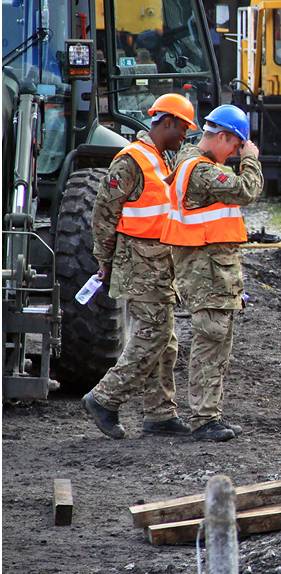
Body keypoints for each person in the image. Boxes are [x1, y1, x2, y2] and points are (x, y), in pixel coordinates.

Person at [82, 94, 197, 439]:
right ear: (167, 123)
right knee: (153, 336)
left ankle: (160, 414)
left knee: (166, 340)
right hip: (140, 265)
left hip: (159, 265)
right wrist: (104, 261)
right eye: (183, 129)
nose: (185, 136)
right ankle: (104, 398)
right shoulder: (132, 161)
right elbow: (104, 214)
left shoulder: (161, 160)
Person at [161, 104, 263, 442]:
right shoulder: (203, 171)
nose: (235, 152)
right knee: (211, 345)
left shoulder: (190, 160)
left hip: (209, 272)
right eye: (235, 145)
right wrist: (251, 158)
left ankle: (207, 415)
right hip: (208, 274)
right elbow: (247, 190)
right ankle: (204, 419)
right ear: (222, 136)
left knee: (214, 344)